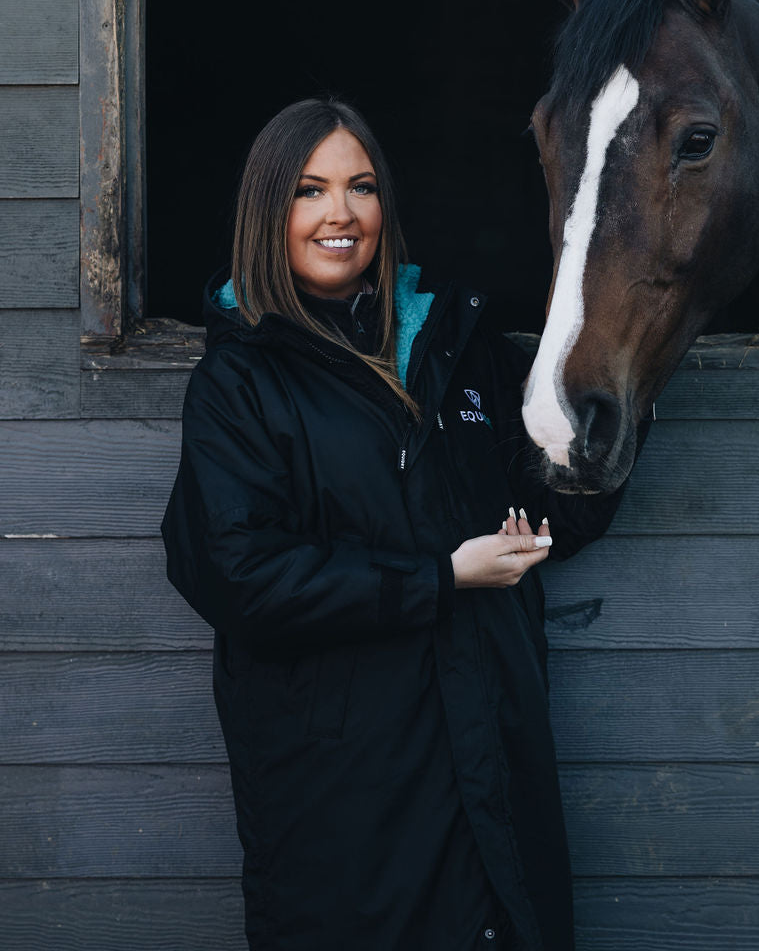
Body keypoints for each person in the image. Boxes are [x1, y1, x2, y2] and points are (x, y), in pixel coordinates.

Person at [161, 97, 629, 951]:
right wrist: (440, 578)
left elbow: (545, 503)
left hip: (485, 761)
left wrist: (626, 387)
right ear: (271, 211)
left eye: (361, 187)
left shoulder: (457, 344)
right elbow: (240, 576)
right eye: (311, 191)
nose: (341, 214)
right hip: (345, 791)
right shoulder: (241, 384)